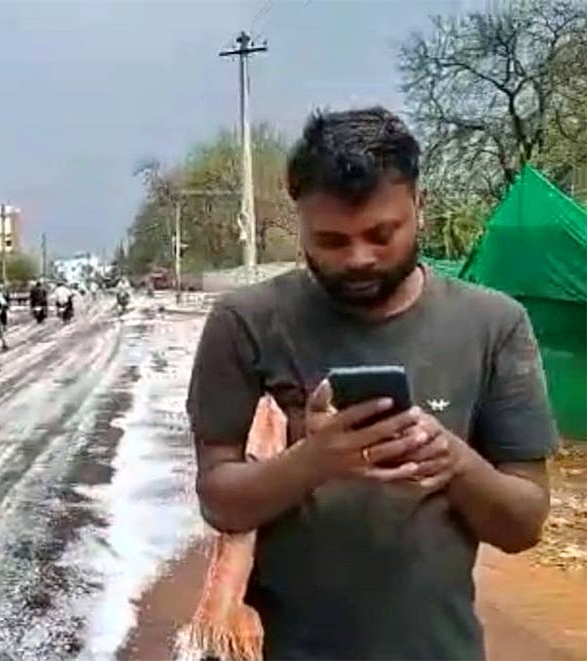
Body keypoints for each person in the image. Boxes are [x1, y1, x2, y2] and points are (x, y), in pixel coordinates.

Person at [188, 107, 556, 660]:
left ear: (420, 208)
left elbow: (523, 524)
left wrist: (450, 460)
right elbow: (219, 501)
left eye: (382, 234)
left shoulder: (494, 324)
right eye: (332, 240)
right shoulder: (246, 322)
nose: (359, 258)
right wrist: (316, 460)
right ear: (299, 222)